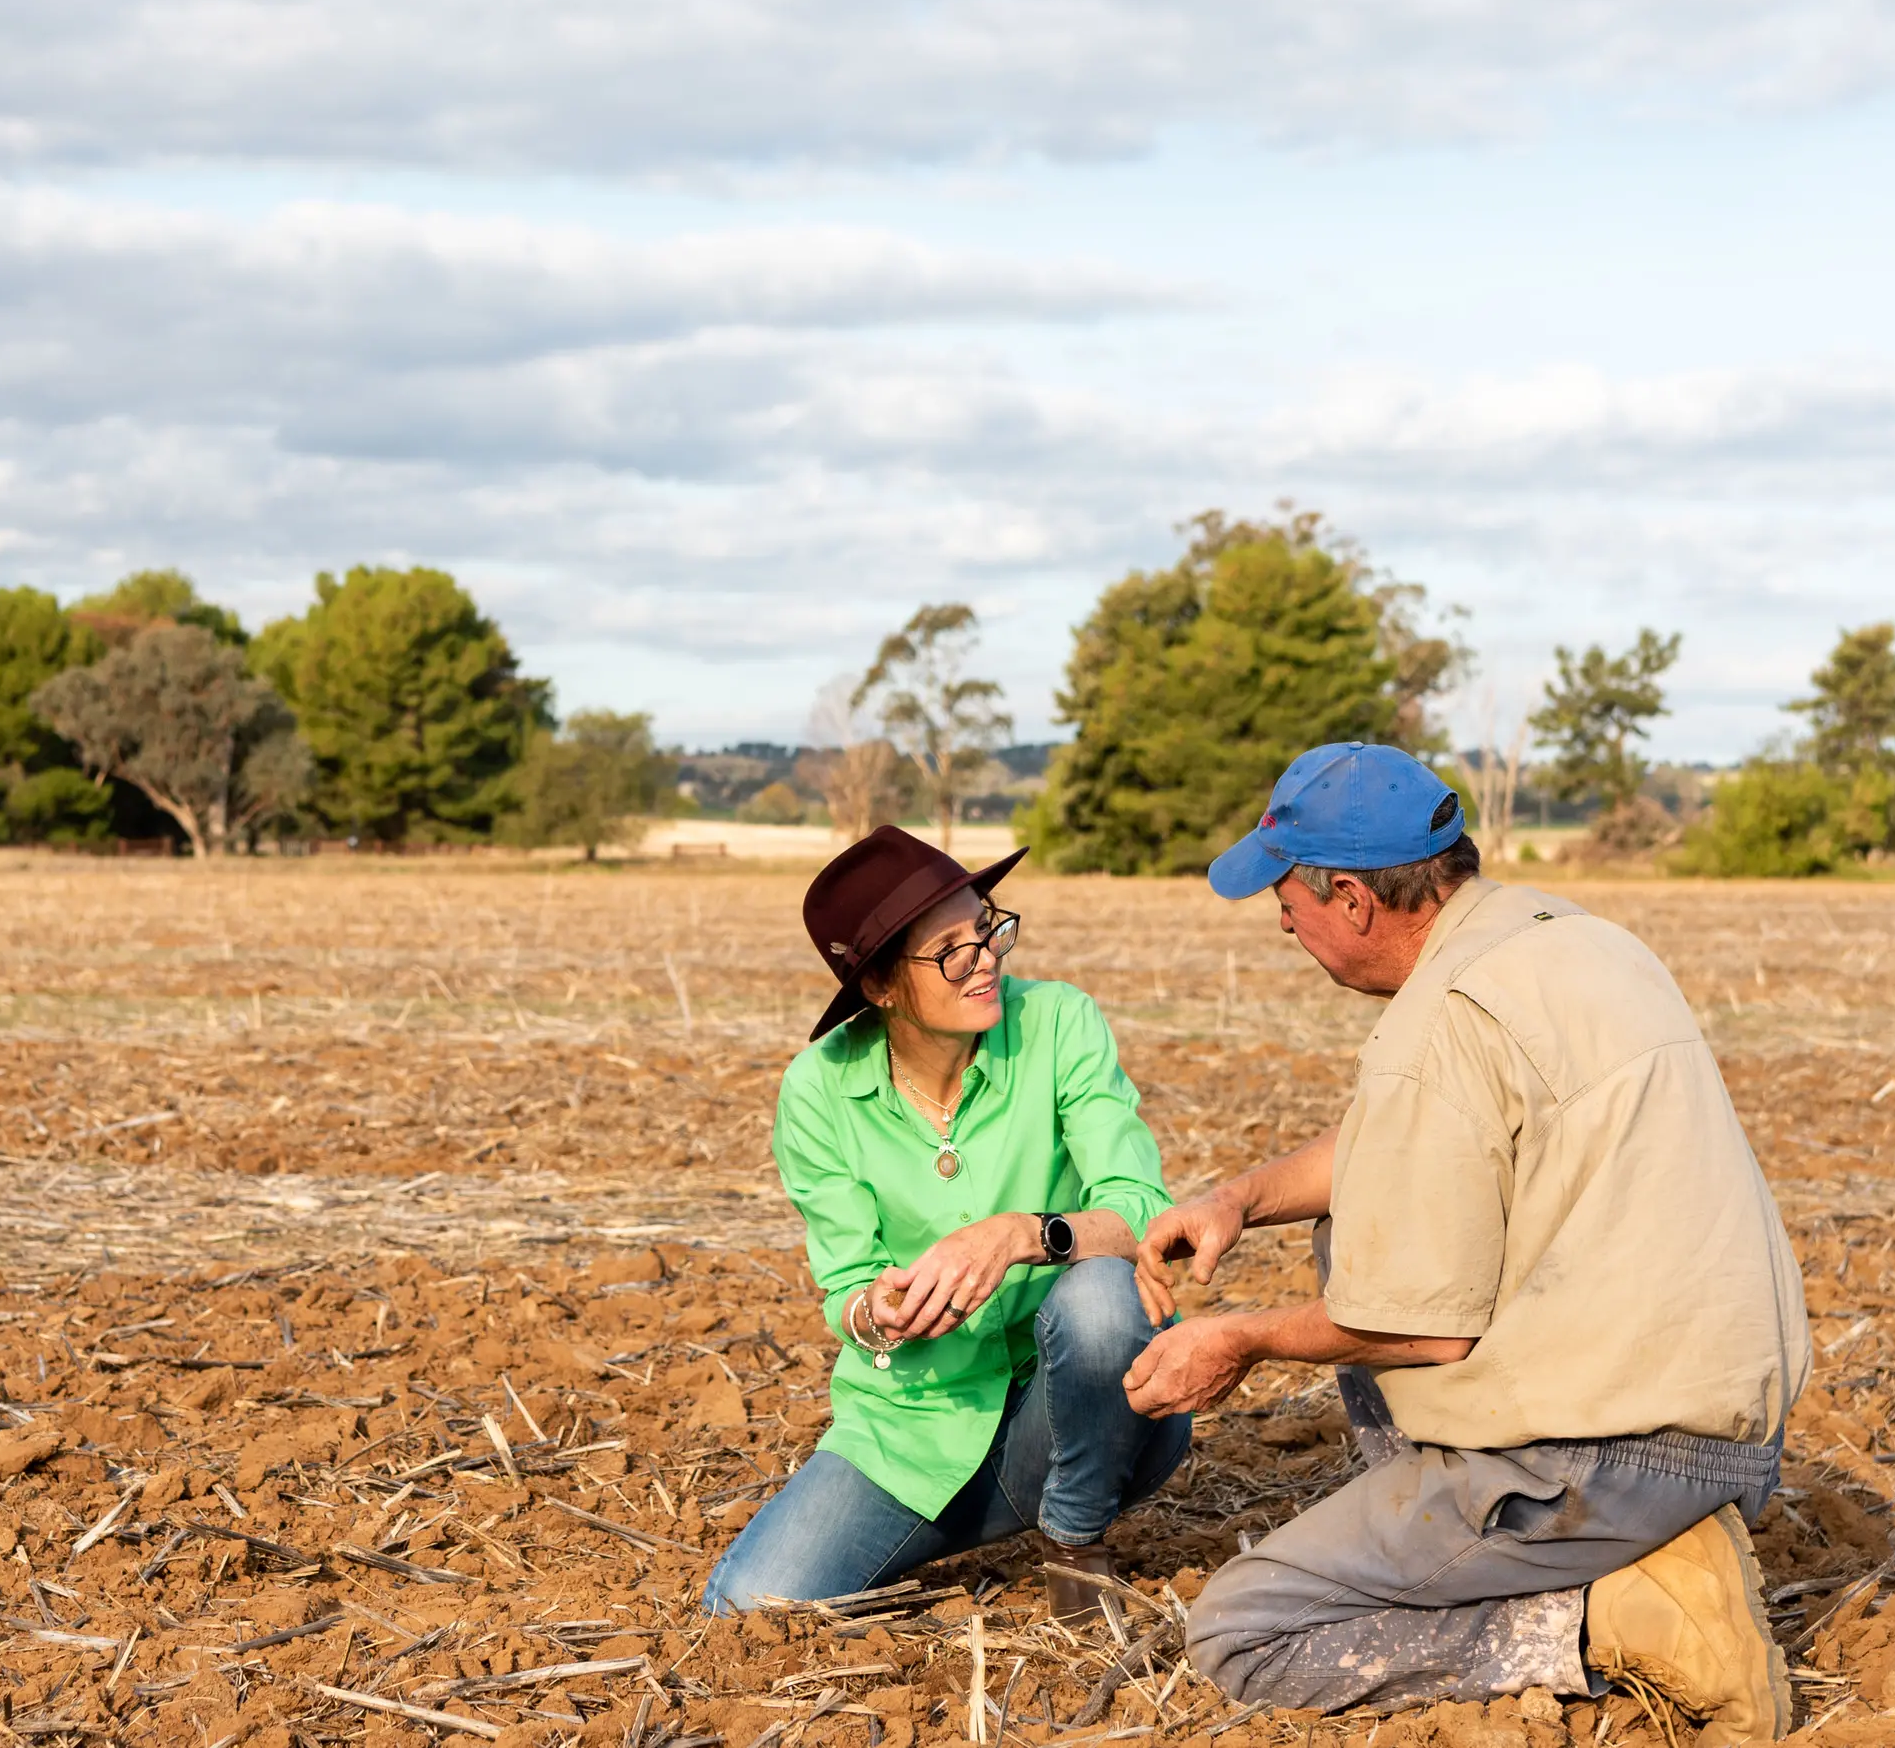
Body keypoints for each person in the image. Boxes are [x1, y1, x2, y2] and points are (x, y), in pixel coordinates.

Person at [1120, 744, 1813, 1736]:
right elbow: (1394, 1143)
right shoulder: (1569, 938)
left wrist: (1240, 1339)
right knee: (1363, 1207)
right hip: (1732, 1434)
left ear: (1354, 899)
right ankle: (1629, 1552)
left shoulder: (1439, 1023)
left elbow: (1420, 1332)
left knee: (1243, 1631)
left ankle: (1611, 1618)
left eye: (1287, 896)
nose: (1280, 918)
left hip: (1605, 1466)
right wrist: (1240, 1197)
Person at [703, 826, 1189, 1621]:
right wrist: (880, 1312)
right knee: (745, 1606)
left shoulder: (1060, 1022)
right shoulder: (818, 1091)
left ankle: (1073, 1541)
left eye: (987, 927)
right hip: (912, 1429)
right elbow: (847, 1292)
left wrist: (1018, 1233)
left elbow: (1143, 1214)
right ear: (883, 987)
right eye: (952, 951)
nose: (988, 958)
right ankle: (968, 1516)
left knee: (1103, 1292)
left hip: (1080, 1410)